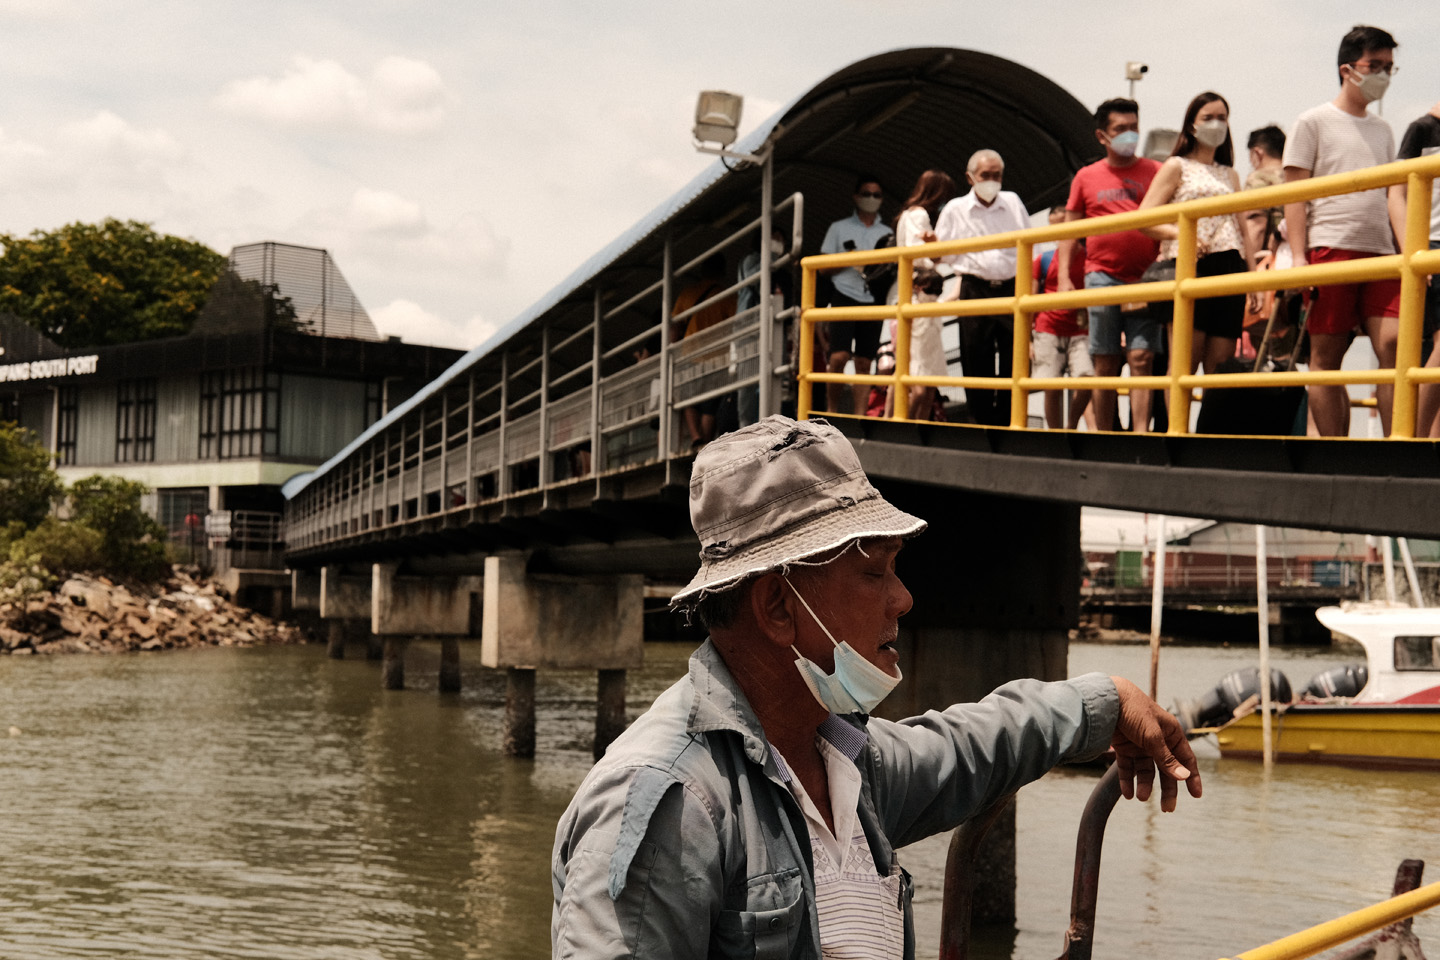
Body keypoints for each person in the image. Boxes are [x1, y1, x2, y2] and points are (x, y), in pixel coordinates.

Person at [550, 415, 1202, 960]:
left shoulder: (844, 761)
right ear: (779, 606)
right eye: (874, 573)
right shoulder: (668, 803)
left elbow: (971, 744)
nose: (904, 599)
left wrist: (1108, 699)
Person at [1283, 24, 1404, 437]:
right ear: (1347, 69)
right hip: (1330, 247)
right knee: (1327, 356)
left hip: (1382, 252)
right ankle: (1335, 450)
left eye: (1390, 67)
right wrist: (1299, 258)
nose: (1383, 75)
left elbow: (1394, 197)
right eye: (1376, 65)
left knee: (1394, 348)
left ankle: (1396, 446)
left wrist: (1408, 254)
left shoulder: (1384, 130)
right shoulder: (1312, 121)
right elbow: (1294, 193)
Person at [1057, 99, 1163, 433]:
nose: (1129, 135)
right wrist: (1063, 277)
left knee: (1141, 358)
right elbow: (1069, 233)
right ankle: (1104, 434)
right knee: (1105, 361)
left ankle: (1141, 433)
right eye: (1121, 129)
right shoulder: (1086, 177)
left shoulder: (1155, 172)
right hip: (1102, 276)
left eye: (1134, 127)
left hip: (1147, 278)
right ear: (1102, 136)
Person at [1138, 92, 1259, 376]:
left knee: (1221, 366)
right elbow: (1144, 219)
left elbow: (1243, 229)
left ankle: (1208, 423)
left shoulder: (1230, 174)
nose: (1216, 124)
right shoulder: (1176, 166)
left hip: (1230, 265)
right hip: (1190, 264)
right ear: (1191, 125)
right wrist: (1181, 235)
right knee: (1183, 364)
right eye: (1208, 118)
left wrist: (1254, 278)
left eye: (1222, 118)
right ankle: (1176, 423)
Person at [935, 150, 1029, 426]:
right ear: (970, 178)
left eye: (996, 175)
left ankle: (1011, 418)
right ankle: (980, 417)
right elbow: (939, 255)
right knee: (976, 353)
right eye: (985, 175)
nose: (991, 181)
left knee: (1015, 353)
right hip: (975, 286)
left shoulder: (1012, 201)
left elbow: (1030, 243)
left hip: (1012, 287)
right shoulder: (955, 209)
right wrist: (932, 245)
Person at [887, 169, 956, 421]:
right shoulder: (920, 215)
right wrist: (937, 251)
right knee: (922, 376)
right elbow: (921, 256)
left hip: (917, 294)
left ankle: (914, 422)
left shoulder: (907, 215)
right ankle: (912, 423)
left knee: (923, 375)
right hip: (922, 296)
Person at [820, 176, 893, 416]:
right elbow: (821, 267)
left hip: (873, 299)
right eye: (866, 193)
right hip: (844, 294)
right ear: (856, 196)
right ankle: (831, 412)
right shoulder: (838, 228)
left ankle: (861, 416)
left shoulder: (888, 234)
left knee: (864, 362)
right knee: (838, 357)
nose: (871, 199)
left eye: (876, 194)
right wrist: (851, 260)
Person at [1398, 102, 1440, 437]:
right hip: (1433, 244)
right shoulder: (1423, 129)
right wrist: (1412, 247)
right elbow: (1396, 191)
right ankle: (1415, 437)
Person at [1032, 208, 1096, 429]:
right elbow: (1030, 300)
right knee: (1052, 386)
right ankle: (1055, 434)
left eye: (1064, 223)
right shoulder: (1043, 259)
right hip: (1048, 327)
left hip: (1082, 328)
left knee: (1087, 379)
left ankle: (1071, 424)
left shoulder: (1090, 257)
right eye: (1054, 225)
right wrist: (1028, 340)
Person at [672, 253, 737, 449]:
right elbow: (735, 324)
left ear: (702, 271)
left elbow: (675, 325)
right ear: (723, 272)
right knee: (710, 403)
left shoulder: (687, 294)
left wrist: (671, 351)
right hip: (717, 356)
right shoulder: (727, 295)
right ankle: (706, 442)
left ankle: (696, 438)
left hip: (689, 353)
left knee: (689, 399)